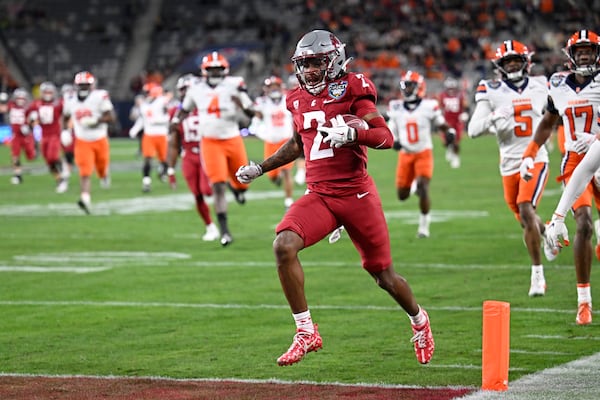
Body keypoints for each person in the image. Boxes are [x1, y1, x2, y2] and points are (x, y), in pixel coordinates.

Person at [236, 30, 434, 366]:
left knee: (383, 275)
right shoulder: (296, 98)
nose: (310, 70)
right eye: (305, 64)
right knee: (283, 245)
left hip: (357, 195)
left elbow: (386, 138)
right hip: (320, 196)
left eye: (316, 62)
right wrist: (261, 167)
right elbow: (299, 144)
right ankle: (306, 331)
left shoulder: (354, 87)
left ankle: (419, 320)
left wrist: (355, 133)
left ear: (335, 60)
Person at [521, 30, 600, 325]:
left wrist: (596, 137)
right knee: (583, 224)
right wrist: (530, 152)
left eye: (589, 50)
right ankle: (584, 301)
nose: (584, 55)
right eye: (579, 51)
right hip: (574, 159)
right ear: (570, 55)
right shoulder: (558, 85)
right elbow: (548, 122)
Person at [468, 39, 558, 297]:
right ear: (500, 66)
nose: (513, 65)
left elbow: (558, 114)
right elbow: (473, 130)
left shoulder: (542, 84)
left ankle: (537, 276)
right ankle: (549, 232)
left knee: (525, 208)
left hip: (536, 158)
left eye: (517, 60)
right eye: (508, 62)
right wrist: (494, 118)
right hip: (508, 164)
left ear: (526, 62)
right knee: (525, 219)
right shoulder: (490, 88)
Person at [170, 51, 255, 246]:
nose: (215, 72)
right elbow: (185, 109)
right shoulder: (195, 88)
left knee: (243, 182)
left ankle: (238, 188)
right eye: (211, 69)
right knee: (217, 185)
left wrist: (242, 105)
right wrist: (175, 120)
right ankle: (225, 231)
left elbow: (251, 110)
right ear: (204, 71)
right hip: (209, 141)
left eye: (218, 69)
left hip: (232, 139)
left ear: (224, 70)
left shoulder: (235, 85)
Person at [387, 70, 456, 239]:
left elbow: (441, 124)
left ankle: (424, 227)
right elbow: (390, 128)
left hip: (423, 152)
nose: (407, 89)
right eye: (405, 86)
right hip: (405, 154)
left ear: (419, 87)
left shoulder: (429, 106)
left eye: (410, 86)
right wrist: (393, 140)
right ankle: (412, 186)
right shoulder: (395, 106)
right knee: (402, 196)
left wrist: (450, 132)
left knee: (424, 188)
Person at [167, 74, 219, 241]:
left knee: (207, 190)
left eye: (187, 89)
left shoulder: (206, 106)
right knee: (197, 194)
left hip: (207, 150)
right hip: (188, 155)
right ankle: (210, 226)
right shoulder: (176, 113)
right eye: (182, 90)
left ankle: (226, 184)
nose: (184, 93)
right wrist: (170, 169)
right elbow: (174, 143)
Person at [62, 71, 116, 214]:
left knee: (102, 167)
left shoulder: (100, 96)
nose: (84, 88)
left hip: (100, 138)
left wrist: (96, 121)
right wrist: (65, 131)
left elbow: (112, 117)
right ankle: (85, 198)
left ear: (92, 85)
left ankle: (104, 175)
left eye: (86, 85)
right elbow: (65, 116)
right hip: (82, 140)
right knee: (85, 170)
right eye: (81, 85)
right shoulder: (70, 98)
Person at [250, 75, 295, 210]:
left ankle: (288, 200)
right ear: (266, 89)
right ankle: (276, 177)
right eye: (271, 87)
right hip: (270, 141)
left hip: (286, 140)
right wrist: (259, 131)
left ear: (280, 87)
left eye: (276, 86)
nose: (274, 89)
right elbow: (256, 120)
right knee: (272, 176)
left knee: (287, 171)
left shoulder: (289, 98)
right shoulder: (262, 102)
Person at [129, 82, 171, 192]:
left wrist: (156, 121)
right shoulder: (144, 105)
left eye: (147, 92)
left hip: (161, 134)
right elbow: (142, 119)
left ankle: (162, 170)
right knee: (147, 159)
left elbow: (168, 118)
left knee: (164, 160)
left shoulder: (162, 102)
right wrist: (135, 129)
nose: (145, 94)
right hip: (148, 135)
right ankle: (146, 182)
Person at [28, 81, 69, 193]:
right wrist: (32, 123)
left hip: (54, 134)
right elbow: (30, 118)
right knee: (48, 162)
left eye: (49, 91)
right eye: (45, 92)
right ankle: (60, 180)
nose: (47, 94)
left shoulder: (58, 103)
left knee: (52, 157)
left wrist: (66, 130)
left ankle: (63, 165)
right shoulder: (36, 104)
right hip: (43, 135)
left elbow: (68, 113)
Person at [3, 88, 36, 184]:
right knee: (15, 155)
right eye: (19, 98)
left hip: (26, 136)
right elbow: (3, 108)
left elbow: (34, 120)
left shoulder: (28, 108)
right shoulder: (11, 105)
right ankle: (17, 175)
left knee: (31, 157)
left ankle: (35, 148)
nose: (20, 100)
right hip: (15, 135)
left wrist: (29, 127)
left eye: (22, 98)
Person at [438, 76, 469, 169]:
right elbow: (439, 107)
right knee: (445, 141)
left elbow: (465, 106)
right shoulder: (442, 95)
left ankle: (456, 157)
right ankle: (449, 148)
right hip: (446, 121)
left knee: (456, 141)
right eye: (449, 88)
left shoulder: (460, 95)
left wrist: (465, 113)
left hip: (457, 121)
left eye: (452, 88)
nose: (451, 90)